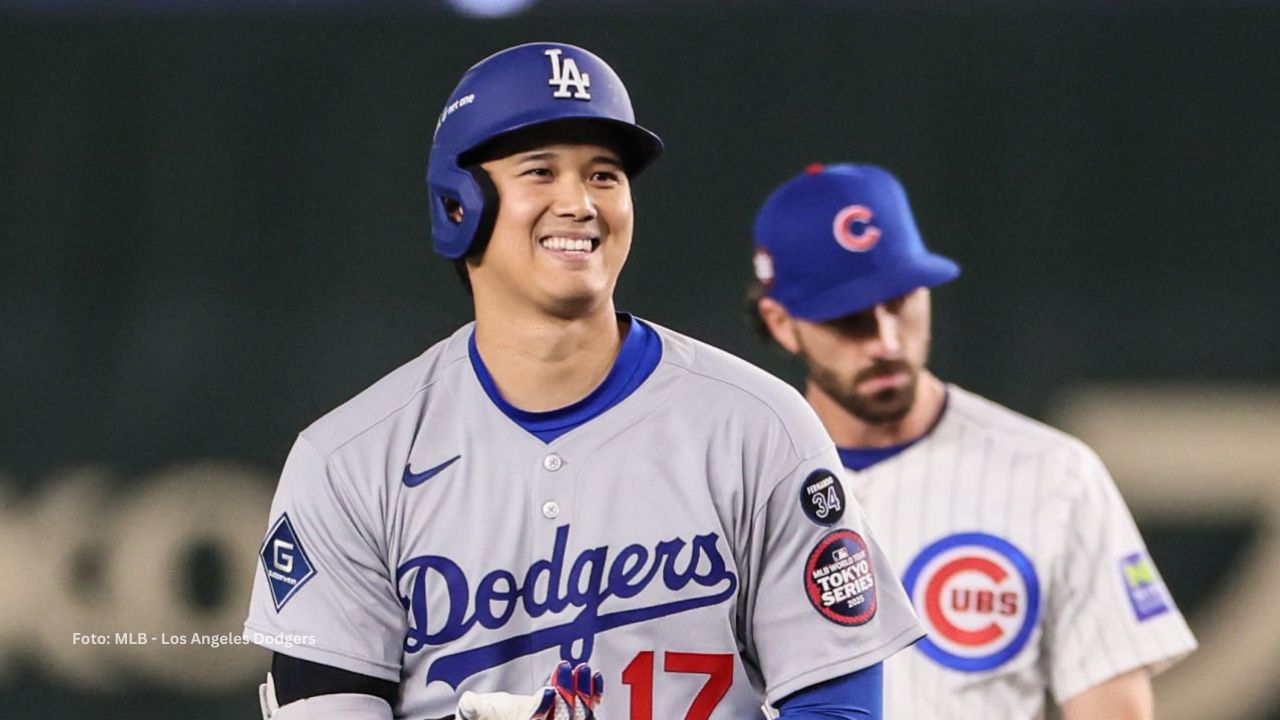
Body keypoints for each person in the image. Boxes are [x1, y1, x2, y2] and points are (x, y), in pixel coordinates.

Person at [243, 45, 924, 720]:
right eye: (540, 171)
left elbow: (842, 708)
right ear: (458, 205)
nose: (579, 203)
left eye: (604, 176)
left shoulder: (758, 426)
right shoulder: (350, 461)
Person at [746, 162, 1198, 719]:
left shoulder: (1054, 474)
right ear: (781, 322)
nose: (887, 341)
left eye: (901, 301)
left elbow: (1114, 709)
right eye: (850, 318)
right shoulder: (737, 479)